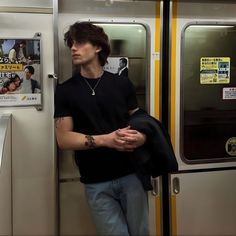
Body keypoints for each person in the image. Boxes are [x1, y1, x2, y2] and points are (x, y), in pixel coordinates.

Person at [54, 22, 149, 236]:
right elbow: (64, 139)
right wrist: (107, 140)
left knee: (141, 233)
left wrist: (141, 137)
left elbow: (139, 120)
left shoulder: (122, 84)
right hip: (96, 182)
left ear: (98, 47)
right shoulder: (65, 91)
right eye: (71, 44)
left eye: (79, 42)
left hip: (131, 175)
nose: (73, 48)